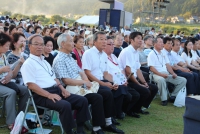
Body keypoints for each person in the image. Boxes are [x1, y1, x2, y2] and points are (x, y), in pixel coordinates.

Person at [21, 34, 90, 134]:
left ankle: (80, 129)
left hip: (56, 90)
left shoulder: (44, 62)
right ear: (29, 46)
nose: (40, 47)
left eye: (41, 44)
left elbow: (55, 79)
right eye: (36, 44)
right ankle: (69, 131)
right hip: (42, 95)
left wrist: (63, 89)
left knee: (82, 100)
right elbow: (31, 85)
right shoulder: (28, 64)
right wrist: (49, 95)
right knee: (65, 105)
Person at [52, 33, 109, 134]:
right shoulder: (60, 59)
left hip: (79, 85)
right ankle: (87, 128)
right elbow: (66, 81)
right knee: (97, 97)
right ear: (63, 44)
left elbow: (81, 72)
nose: (73, 43)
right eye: (71, 41)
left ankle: (103, 124)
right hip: (70, 89)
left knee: (105, 92)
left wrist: (86, 81)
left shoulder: (69, 57)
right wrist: (84, 82)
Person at [82, 31, 124, 134]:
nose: (104, 42)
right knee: (106, 92)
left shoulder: (104, 55)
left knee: (118, 88)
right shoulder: (88, 53)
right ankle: (99, 126)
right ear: (94, 41)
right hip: (91, 82)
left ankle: (109, 121)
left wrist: (113, 82)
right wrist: (103, 83)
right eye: (101, 39)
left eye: (105, 39)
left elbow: (105, 74)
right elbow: (87, 73)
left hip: (100, 80)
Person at [118, 32, 158, 115]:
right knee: (145, 91)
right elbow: (128, 71)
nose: (140, 41)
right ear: (132, 40)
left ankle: (138, 108)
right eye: (138, 38)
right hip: (126, 80)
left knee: (153, 88)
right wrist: (139, 84)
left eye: (141, 38)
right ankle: (130, 110)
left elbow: (138, 69)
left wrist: (144, 82)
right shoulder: (127, 51)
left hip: (133, 78)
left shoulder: (136, 52)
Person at [0, 32, 28, 130]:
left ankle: (20, 117)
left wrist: (9, 75)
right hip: (2, 84)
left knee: (25, 90)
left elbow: (10, 71)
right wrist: (1, 71)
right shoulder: (6, 55)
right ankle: (11, 122)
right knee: (11, 93)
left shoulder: (3, 56)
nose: (8, 48)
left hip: (5, 82)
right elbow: (3, 70)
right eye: (6, 46)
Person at [147, 37, 186, 106]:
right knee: (161, 80)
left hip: (166, 74)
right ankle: (164, 99)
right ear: (155, 44)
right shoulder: (151, 54)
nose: (162, 44)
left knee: (183, 80)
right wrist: (161, 75)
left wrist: (173, 73)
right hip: (156, 74)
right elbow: (151, 68)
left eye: (162, 42)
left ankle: (173, 96)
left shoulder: (163, 53)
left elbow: (168, 65)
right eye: (160, 42)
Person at [104, 36, 128, 119]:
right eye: (109, 44)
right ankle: (115, 114)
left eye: (112, 44)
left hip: (119, 80)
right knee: (121, 90)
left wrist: (124, 80)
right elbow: (107, 74)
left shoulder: (114, 56)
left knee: (131, 94)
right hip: (110, 80)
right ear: (104, 45)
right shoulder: (103, 57)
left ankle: (121, 111)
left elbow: (121, 69)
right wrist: (118, 81)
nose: (112, 46)